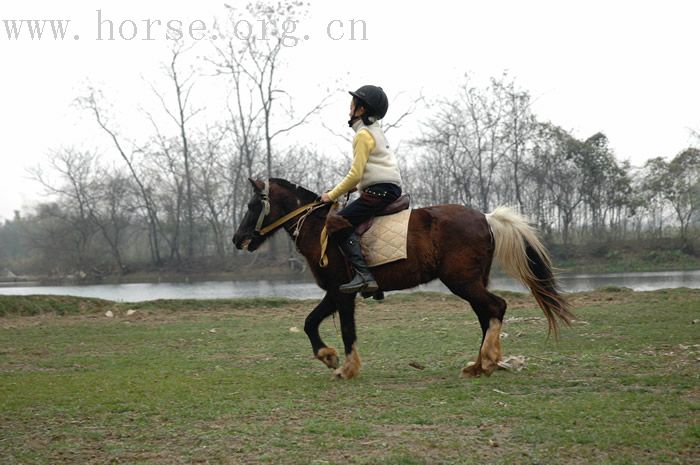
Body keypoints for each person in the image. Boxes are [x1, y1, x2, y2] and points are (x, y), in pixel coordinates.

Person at [321, 85, 403, 294]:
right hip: (388, 188)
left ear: (361, 110)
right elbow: (373, 169)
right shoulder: (376, 132)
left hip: (379, 191)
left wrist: (331, 195)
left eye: (352, 105)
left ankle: (365, 276)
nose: (349, 110)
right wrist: (357, 187)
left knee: (336, 224)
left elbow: (355, 173)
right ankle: (377, 285)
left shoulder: (363, 135)